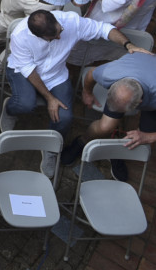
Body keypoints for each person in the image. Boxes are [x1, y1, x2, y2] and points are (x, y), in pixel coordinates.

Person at [0, 11, 147, 176]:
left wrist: (128, 45)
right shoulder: (20, 36)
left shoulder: (70, 21)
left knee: (65, 117)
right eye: (52, 38)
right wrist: (50, 99)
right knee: (25, 104)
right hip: (24, 72)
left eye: (59, 32)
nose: (58, 38)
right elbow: (29, 70)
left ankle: (50, 149)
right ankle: (10, 109)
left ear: (56, 21)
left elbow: (103, 29)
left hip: (56, 76)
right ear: (38, 36)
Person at [63, 52, 156, 180]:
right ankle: (82, 141)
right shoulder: (111, 74)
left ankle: (118, 152)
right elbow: (91, 74)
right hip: (137, 76)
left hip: (152, 99)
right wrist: (87, 92)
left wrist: (149, 137)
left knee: (141, 140)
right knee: (105, 126)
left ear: (139, 103)